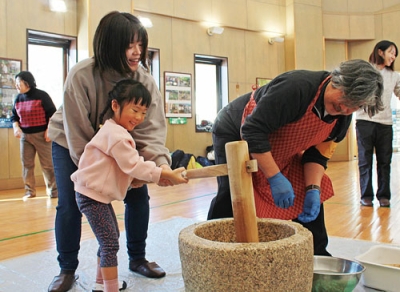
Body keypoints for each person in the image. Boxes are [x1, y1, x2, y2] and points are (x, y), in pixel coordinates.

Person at [47, 11, 173, 292]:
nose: (137, 52)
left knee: (139, 195)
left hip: (118, 144)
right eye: (130, 45)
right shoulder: (81, 75)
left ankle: (137, 258)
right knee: (70, 203)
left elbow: (151, 130)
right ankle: (66, 269)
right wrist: (100, 177)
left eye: (141, 45)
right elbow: (78, 135)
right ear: (110, 44)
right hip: (72, 143)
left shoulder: (145, 82)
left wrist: (159, 168)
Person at [207, 59, 384, 256]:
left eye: (355, 106)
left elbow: (317, 156)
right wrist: (274, 177)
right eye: (345, 100)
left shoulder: (342, 120)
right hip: (235, 130)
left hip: (279, 147)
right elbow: (252, 130)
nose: (345, 110)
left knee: (307, 190)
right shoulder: (296, 88)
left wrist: (313, 190)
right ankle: (213, 249)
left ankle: (315, 255)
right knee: (233, 193)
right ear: (337, 81)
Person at [71, 79, 188, 292]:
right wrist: (164, 173)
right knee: (110, 244)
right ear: (115, 105)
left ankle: (101, 284)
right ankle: (110, 288)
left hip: (95, 195)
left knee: (110, 238)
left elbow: (127, 172)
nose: (139, 118)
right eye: (135, 110)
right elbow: (134, 165)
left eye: (143, 113)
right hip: (91, 196)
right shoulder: (117, 136)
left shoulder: (115, 131)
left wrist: (159, 176)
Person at [356, 40, 400, 208]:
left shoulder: (394, 76)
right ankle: (366, 196)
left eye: (395, 54)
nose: (394, 56)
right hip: (364, 121)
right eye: (391, 52)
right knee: (365, 161)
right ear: (380, 52)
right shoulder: (365, 71)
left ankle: (384, 196)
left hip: (386, 123)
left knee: (384, 161)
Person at [11, 71, 58, 200]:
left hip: (42, 135)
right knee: (27, 164)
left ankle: (53, 191)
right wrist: (16, 127)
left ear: (27, 82)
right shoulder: (17, 98)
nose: (16, 86)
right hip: (25, 136)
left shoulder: (42, 95)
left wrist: (49, 130)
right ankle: (29, 191)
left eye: (18, 83)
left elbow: (52, 114)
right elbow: (14, 116)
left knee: (48, 165)